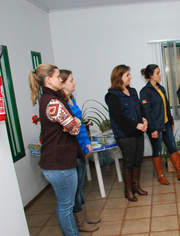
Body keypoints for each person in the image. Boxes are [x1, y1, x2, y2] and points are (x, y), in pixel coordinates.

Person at [29, 64, 83, 236]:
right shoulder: (53, 102)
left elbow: (70, 126)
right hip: (59, 164)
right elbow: (74, 129)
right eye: (58, 76)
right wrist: (75, 123)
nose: (61, 79)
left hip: (56, 163)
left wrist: (72, 123)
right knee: (66, 205)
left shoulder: (49, 98)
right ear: (48, 79)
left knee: (64, 204)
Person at [140, 64, 180, 184]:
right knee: (157, 150)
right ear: (150, 76)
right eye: (157, 73)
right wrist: (152, 129)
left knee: (173, 148)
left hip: (165, 125)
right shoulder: (145, 92)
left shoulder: (161, 88)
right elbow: (146, 112)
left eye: (160, 72)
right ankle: (160, 176)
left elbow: (166, 107)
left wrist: (170, 121)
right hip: (155, 127)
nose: (160, 75)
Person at [60, 70, 100, 232]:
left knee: (80, 185)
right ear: (62, 84)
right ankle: (79, 223)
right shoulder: (60, 103)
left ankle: (84, 217)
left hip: (81, 148)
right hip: (72, 151)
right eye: (71, 80)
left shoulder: (71, 99)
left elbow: (80, 124)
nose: (74, 82)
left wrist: (87, 143)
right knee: (75, 189)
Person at [105, 65, 148, 202]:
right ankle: (128, 190)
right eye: (127, 75)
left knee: (138, 160)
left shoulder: (133, 91)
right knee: (128, 162)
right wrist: (137, 125)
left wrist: (145, 120)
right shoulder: (111, 95)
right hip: (124, 134)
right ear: (119, 77)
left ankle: (136, 186)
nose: (130, 77)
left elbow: (140, 108)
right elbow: (119, 117)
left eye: (129, 75)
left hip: (138, 132)